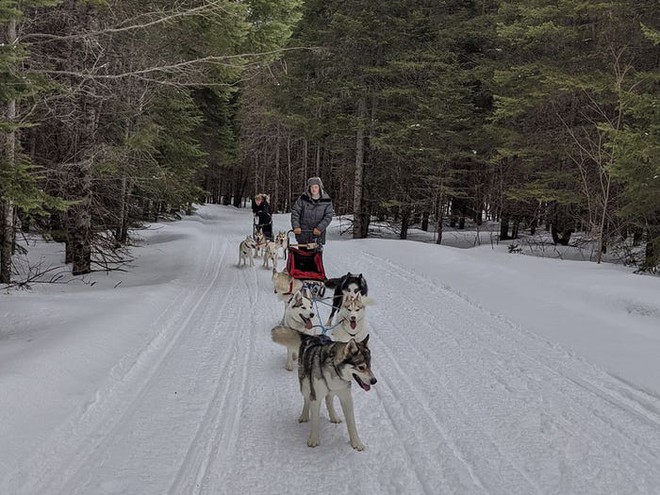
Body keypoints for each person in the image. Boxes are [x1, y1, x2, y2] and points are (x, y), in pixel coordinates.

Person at [291, 177, 334, 245]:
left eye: (316, 187)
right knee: (301, 254)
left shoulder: (326, 200)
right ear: (309, 188)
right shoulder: (303, 198)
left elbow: (328, 216)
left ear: (319, 188)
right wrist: (296, 226)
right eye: (312, 187)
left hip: (317, 235)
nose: (314, 189)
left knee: (316, 254)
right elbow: (295, 212)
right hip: (303, 233)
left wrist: (319, 228)